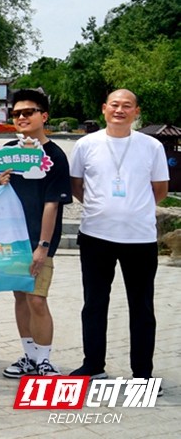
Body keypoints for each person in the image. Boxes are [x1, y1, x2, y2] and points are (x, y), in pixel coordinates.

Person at [68, 89, 169, 386]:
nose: (120, 110)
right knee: (94, 303)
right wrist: (102, 208)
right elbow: (76, 185)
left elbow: (160, 189)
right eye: (114, 105)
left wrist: (134, 210)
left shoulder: (151, 146)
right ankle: (93, 364)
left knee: (142, 306)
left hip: (140, 238)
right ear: (104, 108)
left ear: (136, 112)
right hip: (96, 235)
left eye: (127, 106)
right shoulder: (86, 144)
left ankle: (142, 373)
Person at [2, 89, 72, 378]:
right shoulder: (7, 152)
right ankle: (29, 356)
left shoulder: (55, 156)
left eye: (28, 112)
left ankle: (44, 359)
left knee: (37, 299)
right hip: (11, 240)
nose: (22, 117)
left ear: (44, 116)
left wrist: (43, 246)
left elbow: (52, 204)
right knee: (21, 297)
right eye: (16, 113)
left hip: (38, 241)